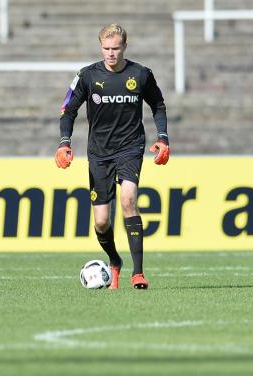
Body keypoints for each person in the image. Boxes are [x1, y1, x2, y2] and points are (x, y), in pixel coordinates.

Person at [55, 23, 169, 290]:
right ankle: (114, 262)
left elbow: (158, 105)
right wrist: (64, 142)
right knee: (102, 221)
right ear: (100, 47)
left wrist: (162, 137)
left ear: (124, 47)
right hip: (99, 153)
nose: (110, 53)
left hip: (130, 147)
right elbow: (68, 110)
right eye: (106, 48)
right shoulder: (86, 76)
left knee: (129, 198)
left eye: (116, 48)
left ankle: (138, 273)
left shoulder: (141, 75)